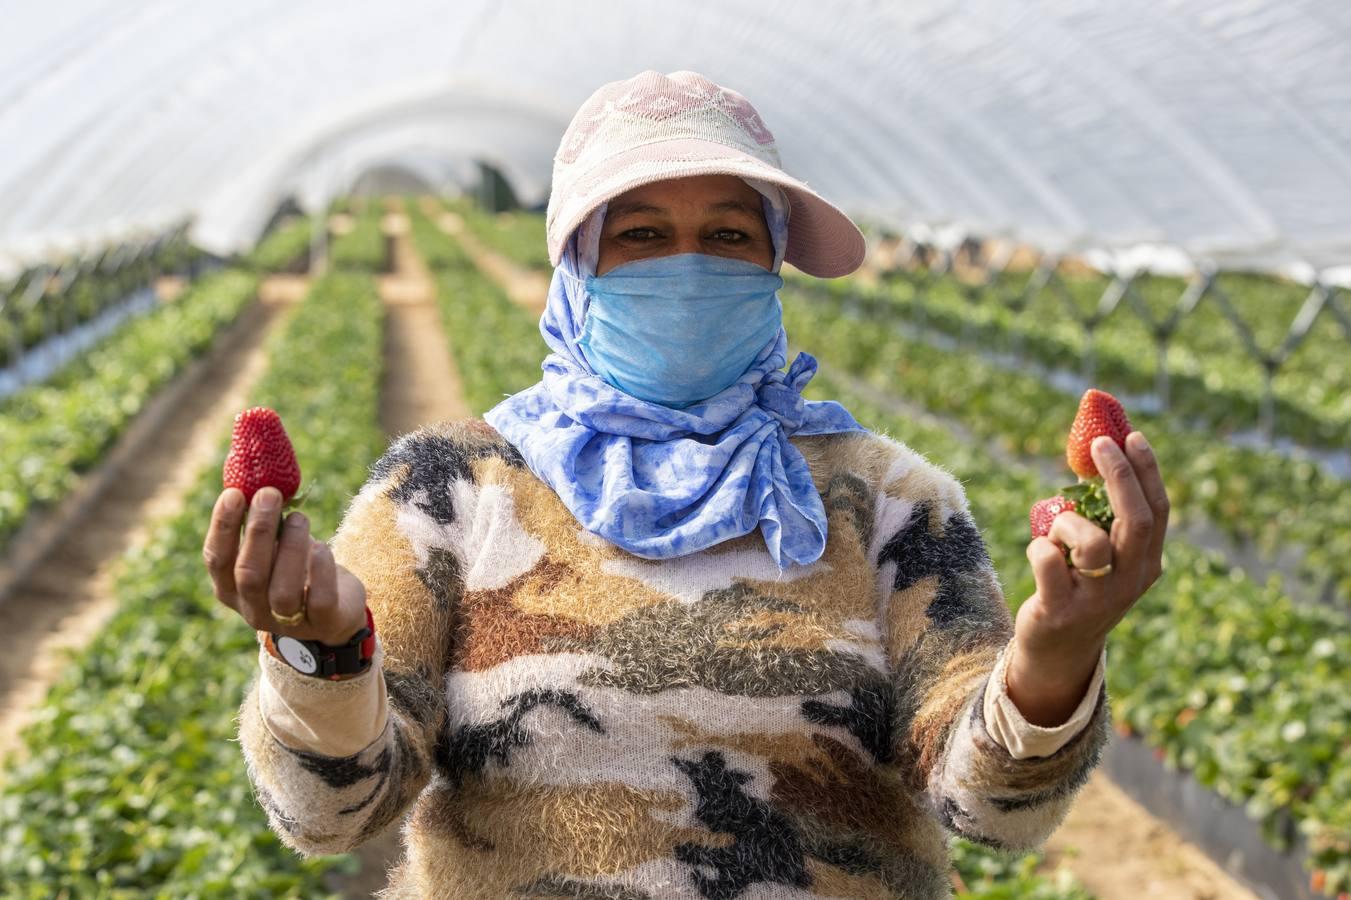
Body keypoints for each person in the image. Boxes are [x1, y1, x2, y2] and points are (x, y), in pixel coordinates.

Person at [203, 70, 1168, 899]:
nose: (689, 264)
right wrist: (320, 654)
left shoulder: (888, 501)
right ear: (579, 267)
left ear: (775, 262)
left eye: (730, 236)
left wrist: (1053, 657)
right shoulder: (448, 491)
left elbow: (990, 811)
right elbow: (331, 814)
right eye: (641, 235)